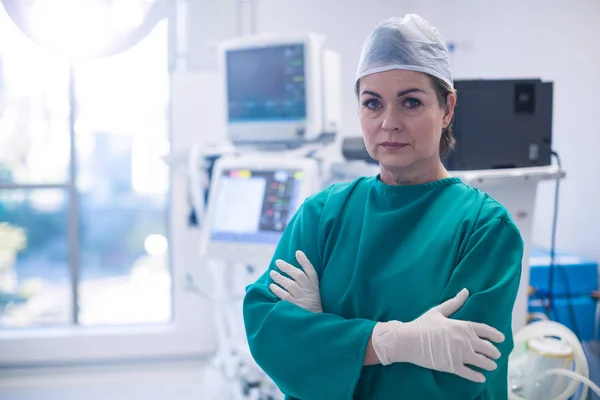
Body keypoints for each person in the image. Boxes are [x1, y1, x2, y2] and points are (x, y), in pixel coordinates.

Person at [243, 14, 524, 400]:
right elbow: (266, 330)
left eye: (411, 102)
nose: (389, 122)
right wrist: (388, 342)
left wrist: (323, 340)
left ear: (447, 109)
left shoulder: (483, 228)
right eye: (372, 103)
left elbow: (461, 378)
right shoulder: (323, 214)